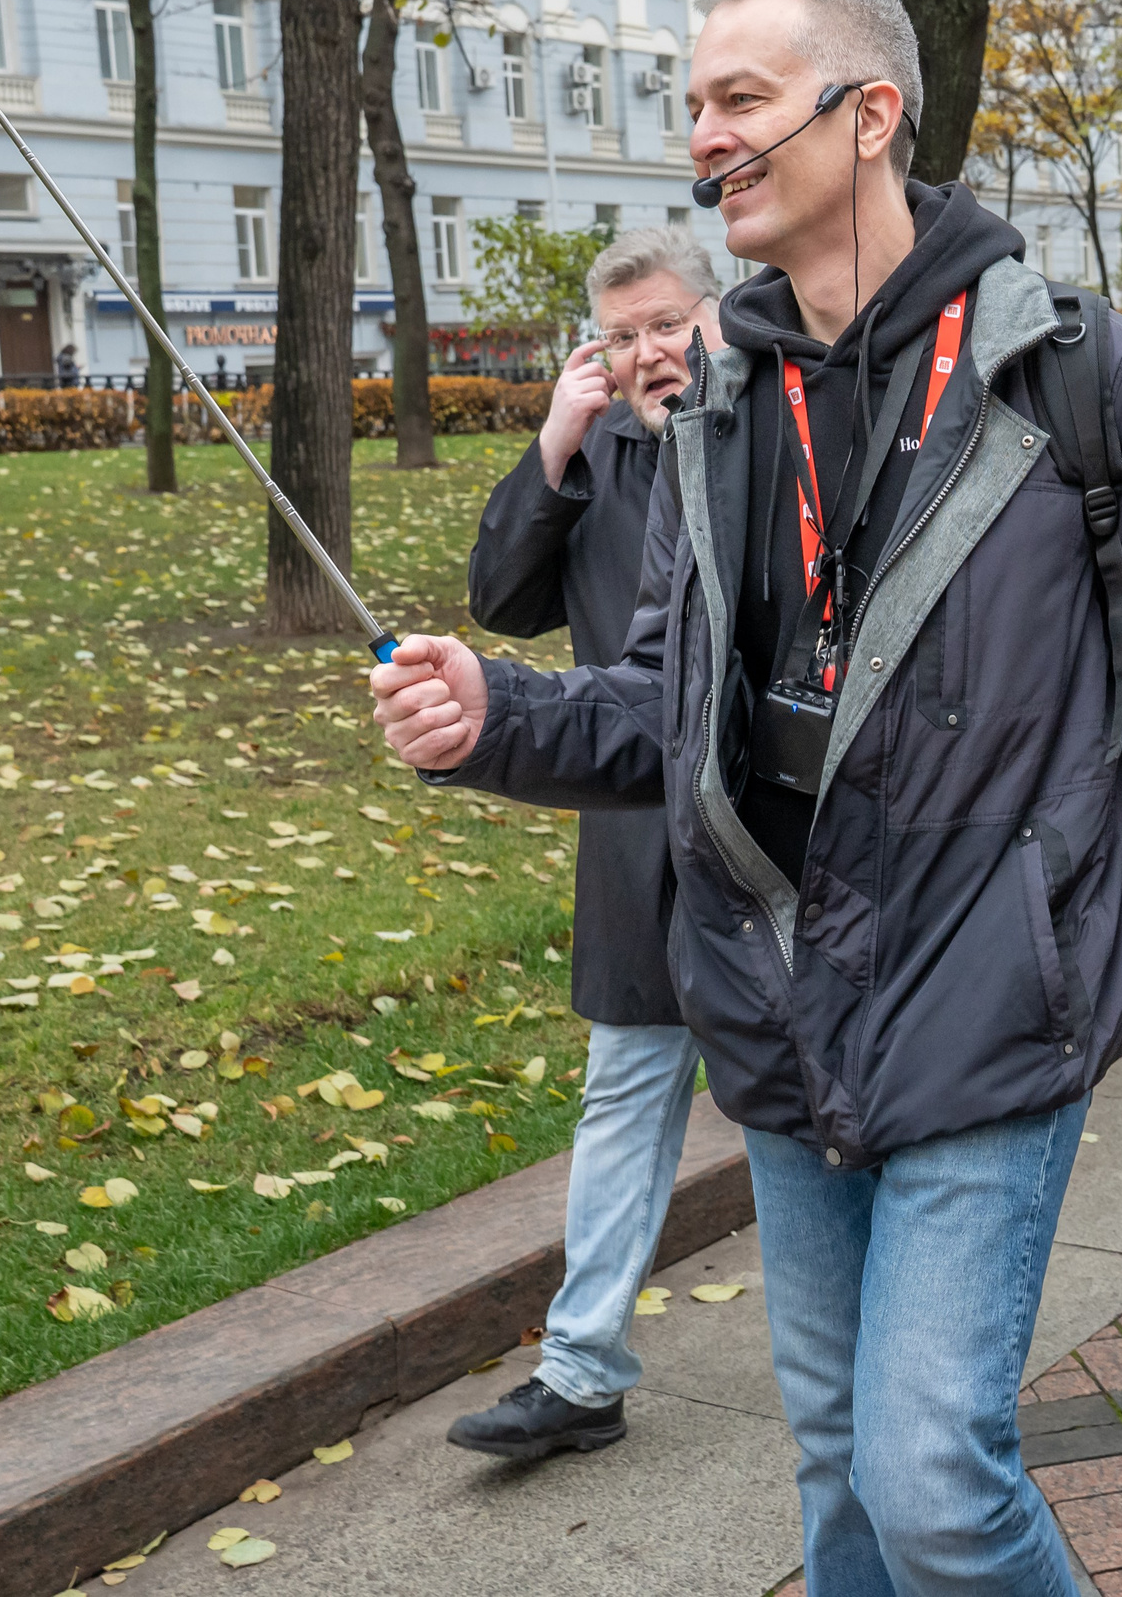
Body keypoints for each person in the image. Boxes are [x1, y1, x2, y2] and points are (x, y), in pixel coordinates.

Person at [371, 0, 1122, 1595]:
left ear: (868, 118)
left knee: (930, 1472)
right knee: (836, 1464)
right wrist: (493, 713)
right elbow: (666, 700)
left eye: (739, 100)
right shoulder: (716, 398)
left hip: (993, 987)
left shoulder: (1083, 375)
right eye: (693, 107)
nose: (703, 138)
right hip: (780, 995)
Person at [441, 225, 723, 1460]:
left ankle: (880, 1354)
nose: (648, 351)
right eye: (621, 335)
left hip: (774, 842)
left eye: (666, 323)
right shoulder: (600, 450)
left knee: (805, 1109)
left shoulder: (780, 430)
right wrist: (556, 438)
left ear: (715, 314)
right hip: (631, 835)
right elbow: (500, 600)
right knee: (624, 1095)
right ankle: (580, 1371)